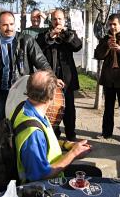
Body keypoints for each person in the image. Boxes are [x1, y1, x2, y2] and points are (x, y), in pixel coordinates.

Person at [12, 70, 101, 182]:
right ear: (52, 95)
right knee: (94, 177)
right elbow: (39, 176)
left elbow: (45, 141)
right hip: (43, 184)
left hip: (50, 168)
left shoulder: (25, 108)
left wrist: (66, 144)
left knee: (95, 172)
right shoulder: (33, 133)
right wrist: (73, 154)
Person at [0, 11, 51, 129]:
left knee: (25, 124)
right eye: (5, 25)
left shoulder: (26, 40)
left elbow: (41, 62)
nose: (9, 28)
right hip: (3, 92)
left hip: (24, 91)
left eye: (11, 24)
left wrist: (51, 78)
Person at [36, 9, 82, 141]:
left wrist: (66, 35)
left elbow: (78, 46)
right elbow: (38, 48)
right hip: (50, 77)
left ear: (64, 20)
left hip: (67, 78)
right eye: (55, 19)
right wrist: (50, 36)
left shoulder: (70, 34)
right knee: (51, 107)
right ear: (51, 21)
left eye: (60, 19)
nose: (57, 22)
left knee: (69, 108)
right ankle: (53, 135)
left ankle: (71, 134)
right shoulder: (45, 35)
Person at [94, 13, 120, 144]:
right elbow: (98, 55)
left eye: (114, 24)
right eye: (110, 24)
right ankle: (106, 132)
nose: (112, 27)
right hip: (109, 79)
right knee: (108, 108)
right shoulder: (105, 38)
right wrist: (106, 45)